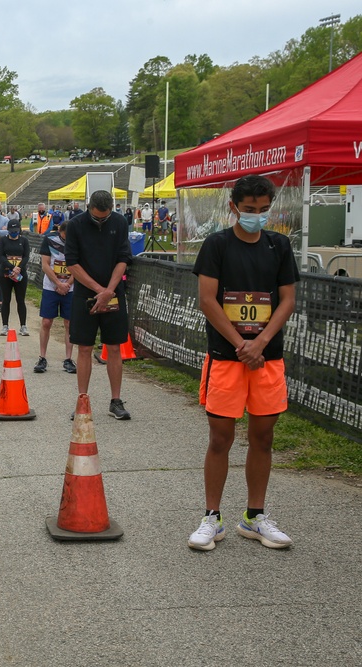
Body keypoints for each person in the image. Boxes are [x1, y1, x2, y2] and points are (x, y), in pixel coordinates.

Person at [187, 175, 299, 552]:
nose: (257, 216)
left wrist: (261, 342)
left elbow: (287, 299)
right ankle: (211, 518)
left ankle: (254, 516)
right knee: (221, 438)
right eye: (249, 210)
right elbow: (207, 300)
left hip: (267, 358)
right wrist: (240, 344)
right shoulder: (216, 245)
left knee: (262, 437)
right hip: (227, 357)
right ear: (234, 207)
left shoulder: (278, 245)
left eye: (263, 210)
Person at [65, 190, 132, 421]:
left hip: (113, 292)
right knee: (84, 348)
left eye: (105, 217)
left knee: (114, 348)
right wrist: (98, 291)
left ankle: (116, 400)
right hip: (86, 293)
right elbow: (72, 263)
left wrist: (109, 291)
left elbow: (123, 258)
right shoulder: (75, 225)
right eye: (97, 218)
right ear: (88, 207)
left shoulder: (120, 222)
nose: (101, 221)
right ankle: (82, 399)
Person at [34, 222, 76, 374]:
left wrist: (67, 284)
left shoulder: (77, 241)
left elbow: (79, 266)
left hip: (70, 288)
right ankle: (42, 357)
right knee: (46, 322)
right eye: (65, 236)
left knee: (69, 323)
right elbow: (45, 265)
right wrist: (58, 283)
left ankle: (68, 359)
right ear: (60, 232)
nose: (67, 239)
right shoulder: (49, 240)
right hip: (51, 287)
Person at [0, 218, 30, 336]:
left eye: (16, 230)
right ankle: (5, 325)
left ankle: (23, 326)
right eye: (12, 231)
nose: (14, 233)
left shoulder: (24, 241)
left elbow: (26, 256)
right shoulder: (3, 241)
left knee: (20, 300)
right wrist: (11, 267)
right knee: (6, 300)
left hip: (20, 274)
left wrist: (18, 268)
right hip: (6, 273)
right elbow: (0, 256)